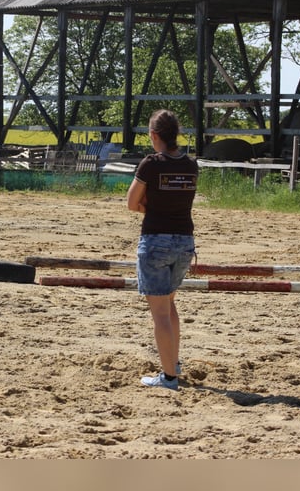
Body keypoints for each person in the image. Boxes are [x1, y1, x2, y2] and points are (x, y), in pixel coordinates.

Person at [126, 109, 198, 391]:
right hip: (184, 242)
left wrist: (149, 207)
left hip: (156, 240)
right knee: (169, 306)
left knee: (159, 314)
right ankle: (173, 363)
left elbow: (132, 203)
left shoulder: (150, 164)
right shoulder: (191, 165)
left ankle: (169, 377)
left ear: (154, 135)